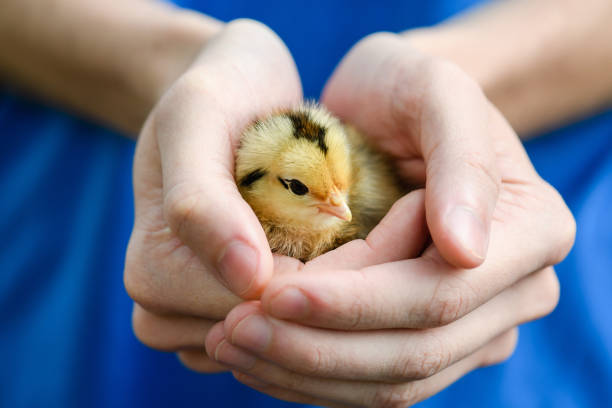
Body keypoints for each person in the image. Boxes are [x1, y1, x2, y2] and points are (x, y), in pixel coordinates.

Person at [0, 0, 609, 407]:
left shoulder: (341, 183)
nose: (342, 211)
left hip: (536, 174)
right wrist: (167, 66)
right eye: (306, 192)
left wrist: (464, 89)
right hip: (77, 218)